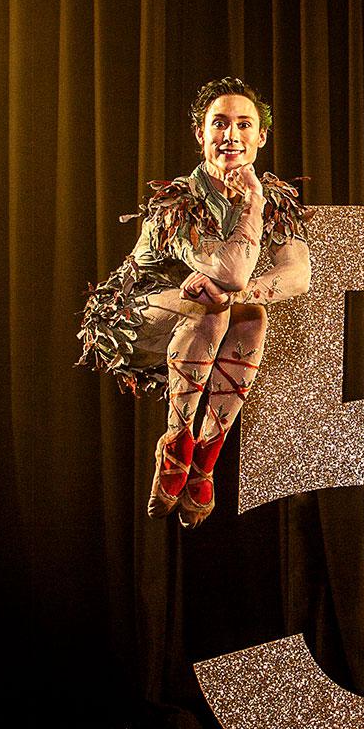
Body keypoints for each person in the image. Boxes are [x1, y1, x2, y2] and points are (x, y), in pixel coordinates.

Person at [77, 77, 311, 527]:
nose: (231, 135)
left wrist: (238, 291)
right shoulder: (179, 201)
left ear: (261, 138)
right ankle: (176, 440)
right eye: (219, 123)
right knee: (215, 307)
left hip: (207, 321)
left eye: (244, 125)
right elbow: (233, 268)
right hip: (133, 316)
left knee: (252, 317)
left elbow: (297, 276)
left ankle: (204, 458)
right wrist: (252, 206)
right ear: (201, 134)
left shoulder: (274, 199)